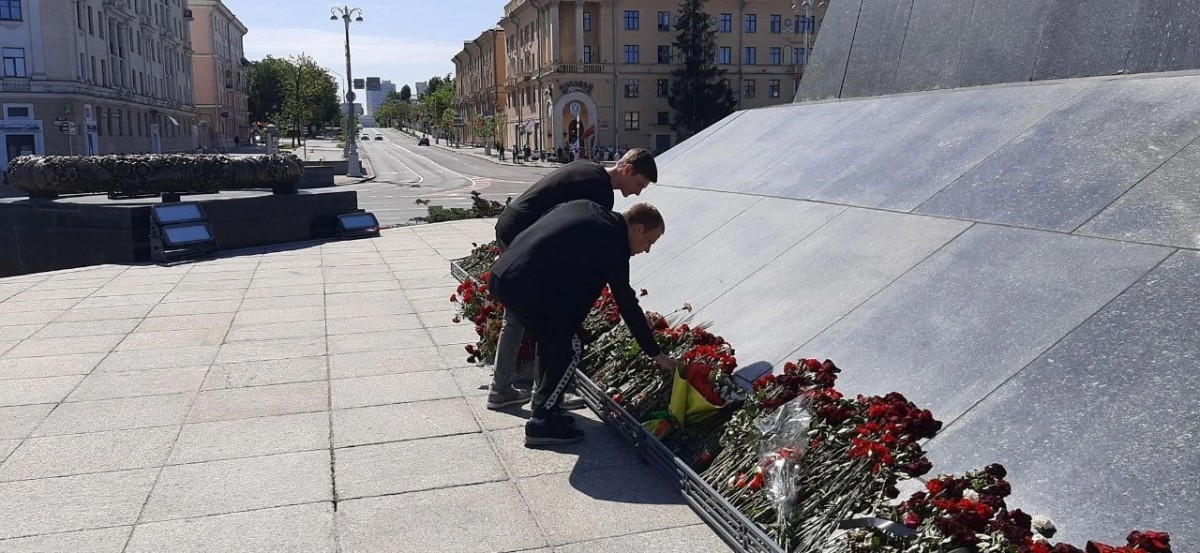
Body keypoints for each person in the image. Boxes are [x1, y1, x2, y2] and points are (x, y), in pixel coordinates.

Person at [489, 201, 678, 446]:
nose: (647, 250)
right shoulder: (614, 242)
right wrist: (656, 354)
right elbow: (626, 302)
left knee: (554, 339)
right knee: (571, 346)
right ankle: (541, 421)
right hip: (526, 286)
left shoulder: (588, 209)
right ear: (638, 229)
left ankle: (547, 409)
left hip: (504, 275)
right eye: (649, 242)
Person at [487, 148, 658, 412]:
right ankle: (534, 392)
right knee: (532, 318)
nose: (637, 193)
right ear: (627, 169)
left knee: (530, 315)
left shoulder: (589, 169)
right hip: (523, 235)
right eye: (639, 184)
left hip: (514, 226)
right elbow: (578, 239)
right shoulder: (599, 193)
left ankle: (531, 390)